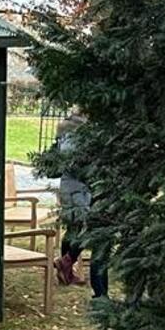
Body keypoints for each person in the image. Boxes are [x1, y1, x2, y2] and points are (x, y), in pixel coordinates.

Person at [52, 114, 108, 298]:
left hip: (77, 187)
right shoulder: (72, 131)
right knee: (82, 227)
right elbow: (72, 162)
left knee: (75, 228)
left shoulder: (75, 129)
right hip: (76, 188)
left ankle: (66, 267)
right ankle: (67, 264)